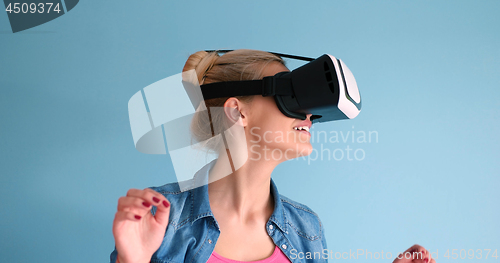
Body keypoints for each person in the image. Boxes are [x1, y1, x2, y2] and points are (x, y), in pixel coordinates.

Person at [110, 49, 436, 263]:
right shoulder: (160, 220)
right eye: (290, 93)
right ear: (237, 111)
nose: (308, 113)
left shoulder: (305, 227)